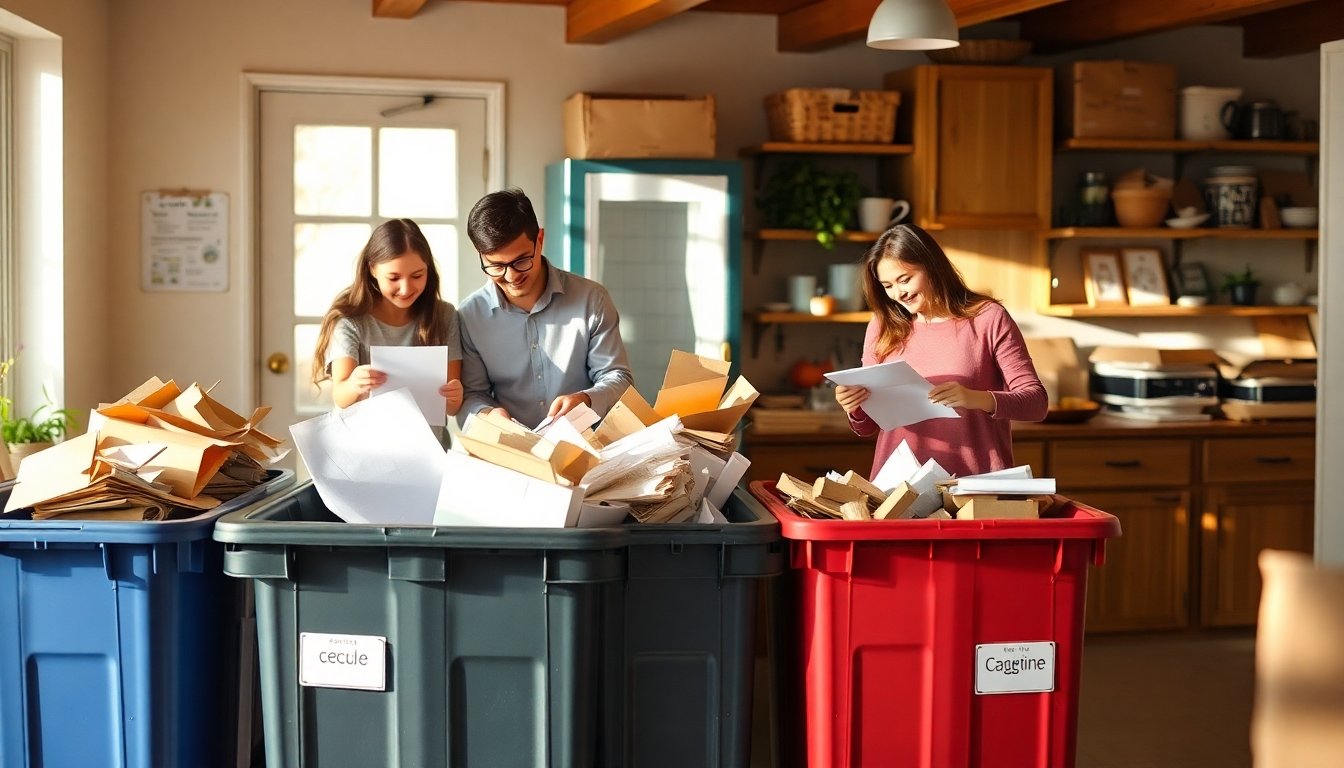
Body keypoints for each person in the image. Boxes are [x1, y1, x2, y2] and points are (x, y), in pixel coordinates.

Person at [834, 224, 1047, 478]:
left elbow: (1036, 403)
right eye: (887, 286)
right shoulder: (882, 326)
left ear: (932, 266)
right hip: (898, 488)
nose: (899, 294)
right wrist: (854, 406)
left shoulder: (988, 318)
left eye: (905, 279)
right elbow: (867, 427)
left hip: (975, 485)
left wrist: (975, 398)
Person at [458, 187, 632, 428]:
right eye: (496, 266)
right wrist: (488, 415)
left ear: (539, 240)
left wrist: (586, 400)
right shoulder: (470, 316)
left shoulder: (592, 300)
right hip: (510, 448)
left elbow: (619, 379)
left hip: (587, 444)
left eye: (521, 261)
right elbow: (472, 395)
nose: (511, 276)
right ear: (480, 255)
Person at [311, 218, 464, 429]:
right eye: (393, 278)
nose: (405, 288)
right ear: (372, 269)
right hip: (365, 440)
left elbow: (451, 408)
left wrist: (455, 395)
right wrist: (354, 384)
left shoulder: (444, 315)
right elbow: (341, 397)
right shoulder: (350, 321)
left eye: (417, 275)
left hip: (426, 442)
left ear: (428, 269)